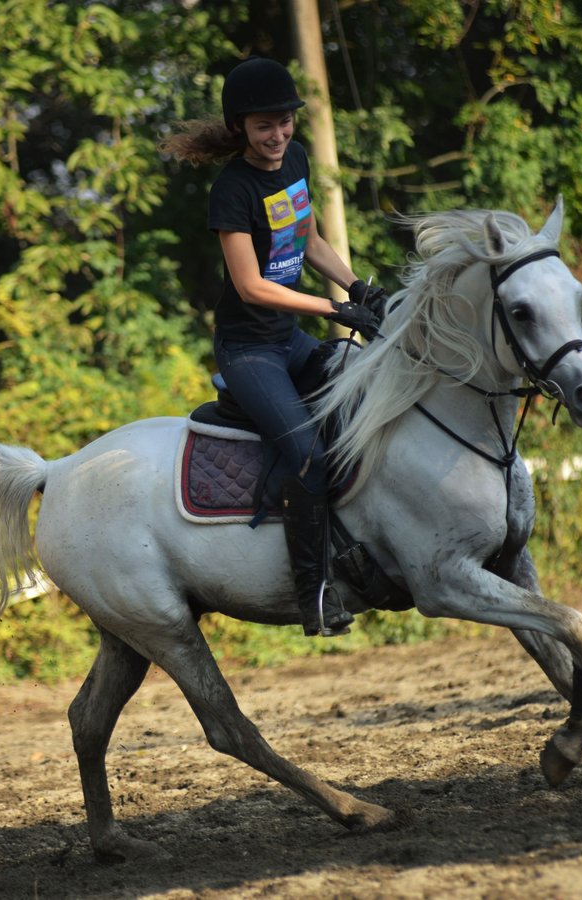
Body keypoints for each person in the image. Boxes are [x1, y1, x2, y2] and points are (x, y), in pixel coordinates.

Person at [161, 57, 389, 637]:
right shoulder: (232, 190)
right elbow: (251, 286)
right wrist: (336, 310)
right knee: (308, 458)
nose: (279, 135)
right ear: (240, 127)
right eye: (266, 126)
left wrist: (356, 284)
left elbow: (306, 239)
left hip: (287, 338)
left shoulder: (295, 160)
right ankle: (313, 594)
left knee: (362, 400)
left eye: (285, 122)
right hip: (248, 352)